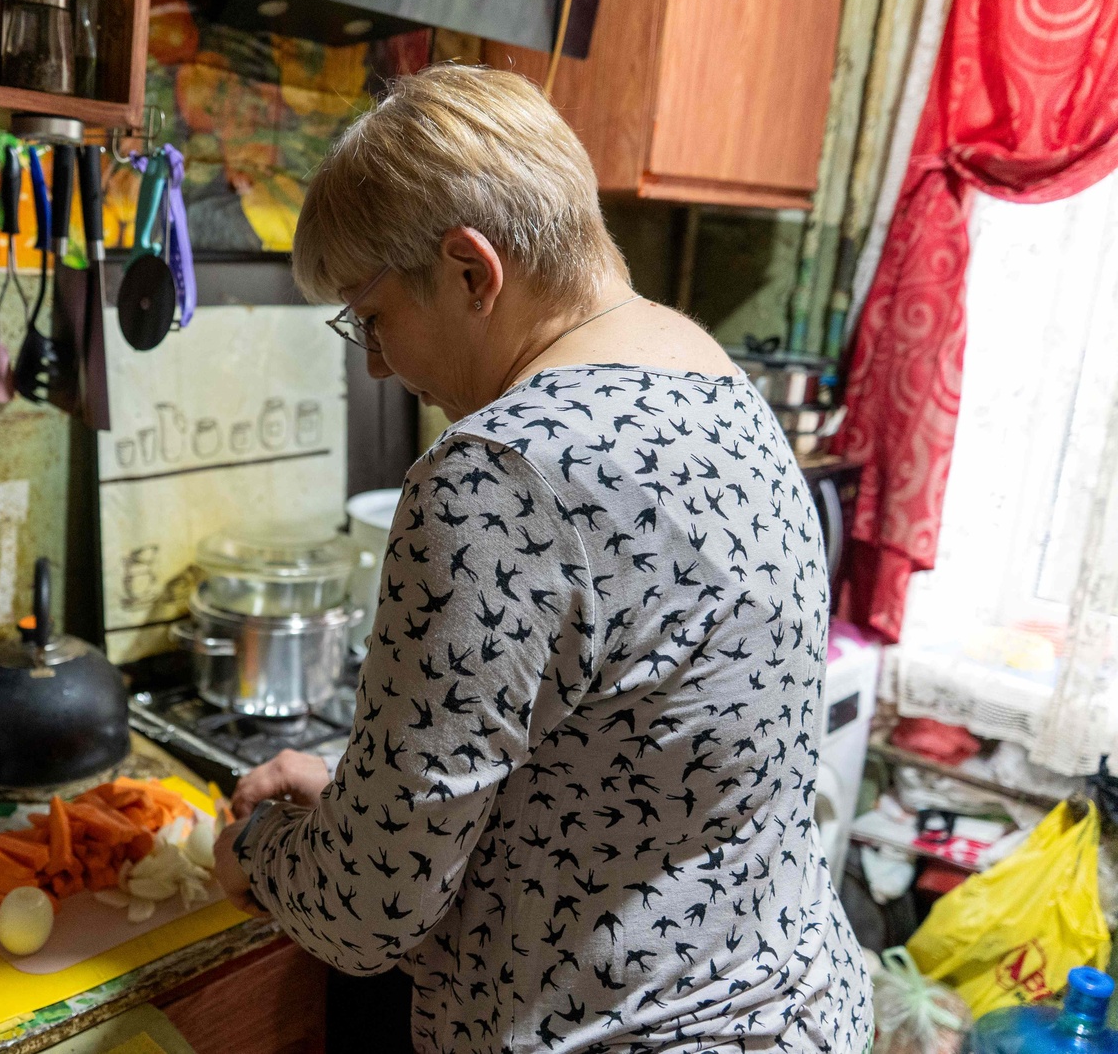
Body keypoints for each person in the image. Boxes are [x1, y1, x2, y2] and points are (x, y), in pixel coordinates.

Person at [212, 64, 872, 1053]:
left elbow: (366, 912)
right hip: (797, 1009)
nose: (375, 364)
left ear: (473, 271)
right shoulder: (712, 374)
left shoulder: (496, 474)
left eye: (371, 315)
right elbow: (613, 745)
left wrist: (257, 851)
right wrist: (361, 798)